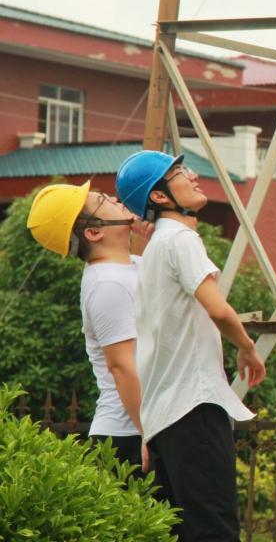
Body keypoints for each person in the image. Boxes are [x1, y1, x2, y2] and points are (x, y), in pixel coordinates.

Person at [117, 150, 266, 541]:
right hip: (194, 409)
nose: (193, 177)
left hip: (166, 417)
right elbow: (218, 310)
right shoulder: (181, 239)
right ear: (160, 197)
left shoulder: (154, 250)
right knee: (214, 530)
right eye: (180, 172)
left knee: (180, 532)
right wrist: (247, 347)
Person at [26, 181, 151, 473]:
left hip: (141, 428)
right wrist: (151, 432)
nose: (117, 199)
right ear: (94, 232)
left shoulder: (132, 266)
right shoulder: (108, 282)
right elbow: (122, 366)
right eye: (104, 200)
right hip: (129, 434)